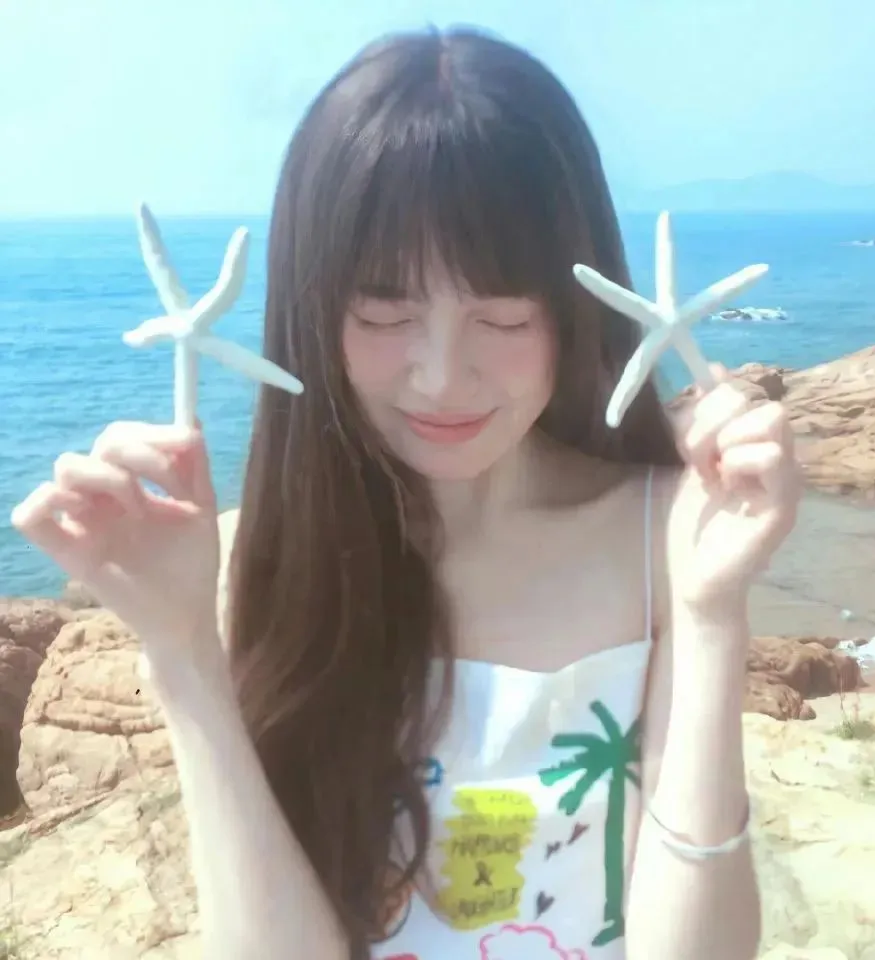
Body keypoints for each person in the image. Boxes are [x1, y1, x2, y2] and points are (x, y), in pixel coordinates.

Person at [11, 26, 800, 960]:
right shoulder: (252, 566)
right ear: (315, 314)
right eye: (385, 314)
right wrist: (180, 648)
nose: (441, 376)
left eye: (502, 316)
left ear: (575, 309)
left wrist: (711, 617)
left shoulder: (664, 538)